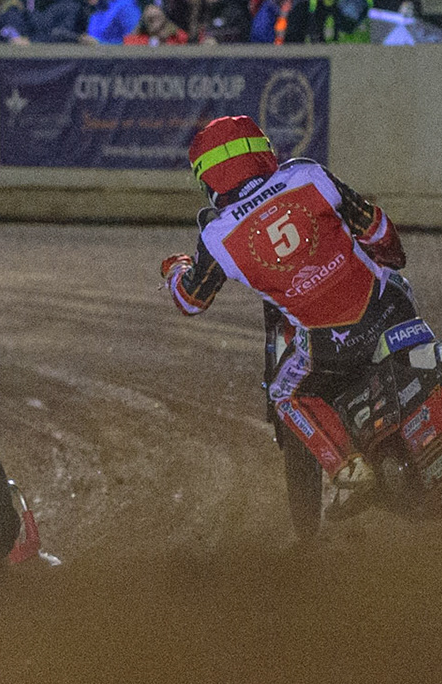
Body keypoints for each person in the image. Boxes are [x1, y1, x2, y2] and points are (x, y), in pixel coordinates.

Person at [160, 116, 412, 504]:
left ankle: (347, 466)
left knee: (284, 393)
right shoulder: (308, 175)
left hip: (332, 345)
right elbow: (375, 228)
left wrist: (175, 268)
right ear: (263, 151)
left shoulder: (217, 235)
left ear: (209, 180)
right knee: (394, 280)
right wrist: (392, 257)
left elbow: (190, 302)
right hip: (389, 306)